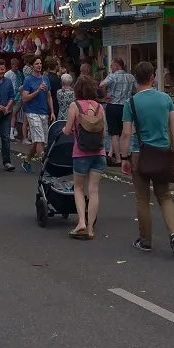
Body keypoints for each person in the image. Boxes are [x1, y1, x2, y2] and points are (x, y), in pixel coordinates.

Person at [120, 61, 174, 255]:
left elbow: (126, 133)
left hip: (139, 153)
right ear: (152, 77)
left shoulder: (130, 103)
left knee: (142, 198)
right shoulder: (166, 99)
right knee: (164, 196)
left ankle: (145, 241)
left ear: (136, 79)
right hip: (162, 153)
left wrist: (124, 157)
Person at [63, 75, 105, 240]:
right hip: (99, 153)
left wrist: (65, 130)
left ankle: (81, 222)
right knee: (94, 190)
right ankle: (90, 228)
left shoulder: (75, 105)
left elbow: (67, 130)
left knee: (79, 188)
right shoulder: (100, 107)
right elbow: (104, 132)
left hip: (81, 153)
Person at [19, 57, 53, 172]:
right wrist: (38, 90)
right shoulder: (28, 80)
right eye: (36, 64)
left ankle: (27, 161)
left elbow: (49, 96)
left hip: (44, 112)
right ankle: (45, 167)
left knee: (39, 140)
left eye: (40, 63)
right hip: (32, 111)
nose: (39, 65)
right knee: (40, 139)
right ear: (32, 66)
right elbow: (24, 98)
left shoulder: (45, 79)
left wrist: (52, 111)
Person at [99, 58, 133, 163]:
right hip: (125, 106)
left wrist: (105, 95)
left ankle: (118, 159)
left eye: (112, 65)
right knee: (122, 132)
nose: (111, 68)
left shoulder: (112, 76)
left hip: (113, 105)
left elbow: (101, 85)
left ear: (118, 66)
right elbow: (136, 89)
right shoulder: (130, 77)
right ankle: (116, 155)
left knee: (114, 133)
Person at [0, 61, 17, 172]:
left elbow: (12, 97)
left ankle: (7, 162)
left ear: (5, 69)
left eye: (2, 69)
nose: (0, 71)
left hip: (6, 114)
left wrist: (7, 107)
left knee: (5, 137)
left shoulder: (8, 82)